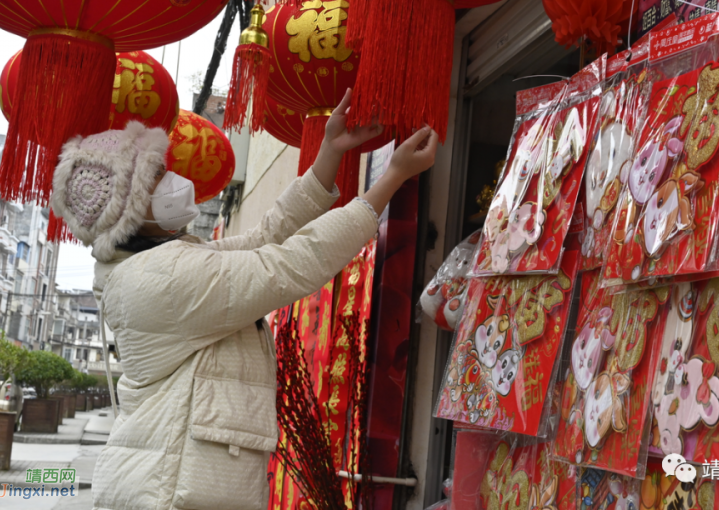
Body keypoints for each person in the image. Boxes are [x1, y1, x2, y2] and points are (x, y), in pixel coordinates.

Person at [50, 90, 438, 510]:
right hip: (169, 494)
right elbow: (288, 265)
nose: (173, 180)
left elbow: (264, 238)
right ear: (128, 206)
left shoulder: (151, 267)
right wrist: (391, 178)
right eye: (158, 175)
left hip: (171, 487)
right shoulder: (158, 278)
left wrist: (330, 151)